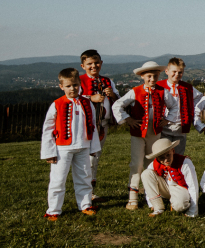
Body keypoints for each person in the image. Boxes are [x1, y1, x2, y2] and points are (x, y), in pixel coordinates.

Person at [112, 61, 179, 210]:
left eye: (155, 76)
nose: (152, 79)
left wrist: (167, 119)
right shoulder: (135, 91)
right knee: (136, 164)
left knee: (153, 163)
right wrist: (128, 119)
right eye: (149, 76)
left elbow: (174, 105)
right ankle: (133, 197)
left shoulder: (163, 91)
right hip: (138, 133)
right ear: (142, 76)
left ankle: (152, 196)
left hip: (154, 133)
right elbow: (117, 105)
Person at [41, 68, 101, 220]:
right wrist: (49, 152)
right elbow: (48, 129)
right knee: (58, 179)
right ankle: (54, 209)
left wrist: (93, 147)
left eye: (75, 85)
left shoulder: (87, 103)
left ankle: (85, 205)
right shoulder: (57, 104)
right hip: (62, 148)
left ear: (79, 84)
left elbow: (93, 126)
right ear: (61, 86)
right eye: (68, 86)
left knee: (84, 177)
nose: (72, 88)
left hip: (83, 147)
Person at [78, 49, 119, 198]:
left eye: (96, 63)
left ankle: (91, 190)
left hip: (103, 124)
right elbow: (74, 98)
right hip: (87, 125)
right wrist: (90, 98)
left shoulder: (107, 81)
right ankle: (85, 191)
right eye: (89, 64)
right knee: (88, 157)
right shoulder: (79, 81)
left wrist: (112, 95)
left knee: (95, 157)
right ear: (83, 66)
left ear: (101, 63)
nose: (93, 66)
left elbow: (118, 99)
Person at [141, 138, 200, 218]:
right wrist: (151, 203)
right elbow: (148, 183)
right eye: (161, 158)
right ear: (157, 158)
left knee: (180, 206)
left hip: (180, 188)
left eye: (168, 155)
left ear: (173, 151)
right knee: (146, 173)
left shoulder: (185, 162)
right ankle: (158, 208)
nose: (166, 160)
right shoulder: (153, 165)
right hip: (164, 188)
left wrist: (193, 210)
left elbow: (193, 186)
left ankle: (178, 202)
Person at [158, 57, 203, 154]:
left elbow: (199, 97)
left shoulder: (187, 87)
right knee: (164, 153)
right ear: (167, 71)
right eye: (174, 71)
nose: (177, 74)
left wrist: (191, 108)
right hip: (164, 127)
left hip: (180, 127)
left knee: (178, 153)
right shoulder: (159, 86)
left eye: (180, 72)